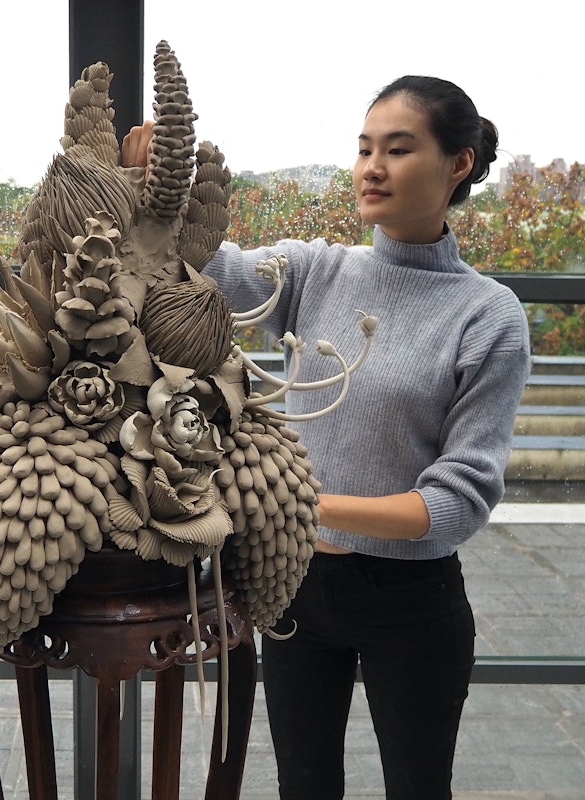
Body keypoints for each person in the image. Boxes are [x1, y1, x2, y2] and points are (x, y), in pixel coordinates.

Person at [123, 75, 531, 800]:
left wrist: (301, 501)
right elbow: (210, 273)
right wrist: (155, 186)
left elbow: (458, 502)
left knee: (417, 788)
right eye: (365, 148)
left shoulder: (489, 316)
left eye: (398, 149)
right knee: (303, 787)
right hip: (295, 587)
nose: (372, 167)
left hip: (411, 599)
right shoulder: (317, 270)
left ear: (458, 164)